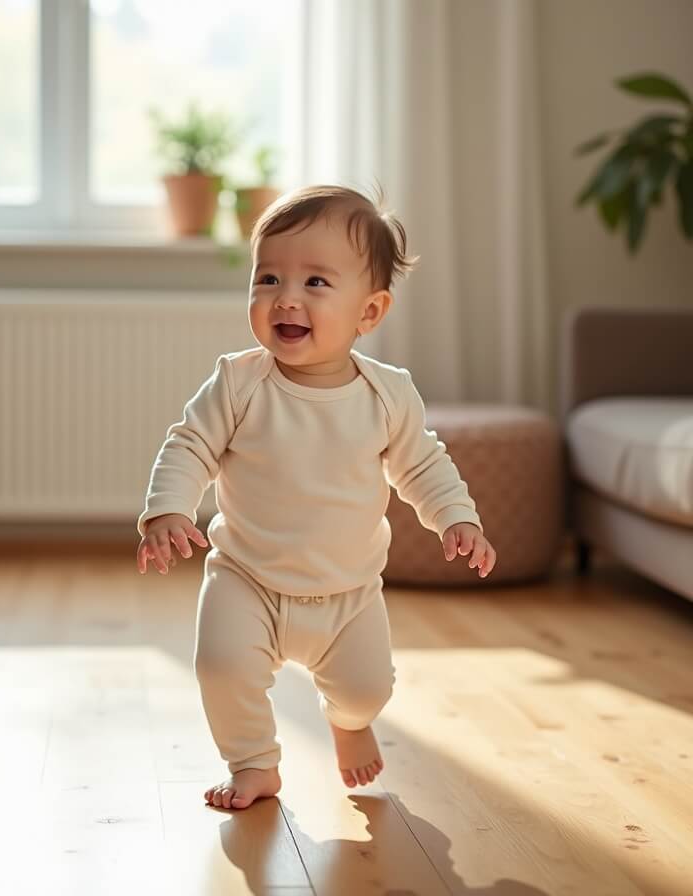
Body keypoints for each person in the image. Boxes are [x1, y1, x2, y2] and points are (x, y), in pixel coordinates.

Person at [135, 184, 497, 810]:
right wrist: (168, 507)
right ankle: (253, 764)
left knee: (367, 690)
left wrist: (455, 517)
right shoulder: (239, 382)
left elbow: (423, 463)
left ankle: (350, 724)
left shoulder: (387, 395)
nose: (286, 298)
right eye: (268, 278)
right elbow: (190, 444)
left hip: (348, 593)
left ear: (370, 311)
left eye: (315, 283)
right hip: (246, 578)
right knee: (221, 668)